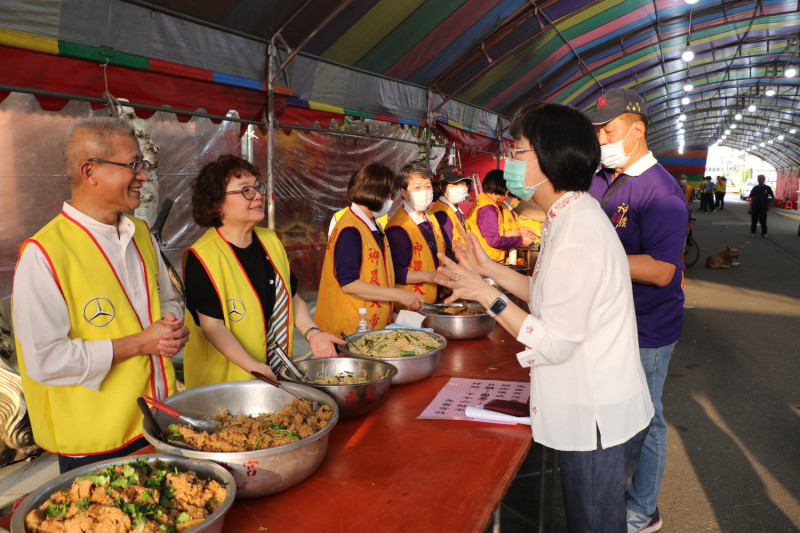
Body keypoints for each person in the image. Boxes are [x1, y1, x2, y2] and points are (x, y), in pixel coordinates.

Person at [435, 101, 653, 533]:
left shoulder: (576, 232)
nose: (511, 162)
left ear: (549, 158)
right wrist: (490, 271)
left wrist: (486, 297)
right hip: (599, 409)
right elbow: (549, 295)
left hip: (596, 420)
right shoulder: (569, 215)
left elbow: (553, 340)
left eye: (519, 152)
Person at [12, 117, 190, 473]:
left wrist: (170, 328)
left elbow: (168, 300)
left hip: (157, 419)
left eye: (144, 165)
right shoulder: (45, 253)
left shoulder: (139, 232)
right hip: (96, 441)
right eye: (133, 165)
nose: (143, 176)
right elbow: (45, 360)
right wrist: (141, 343)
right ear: (90, 171)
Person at [587, 87, 689, 532]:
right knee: (613, 416)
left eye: (608, 132)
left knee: (646, 420)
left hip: (646, 327)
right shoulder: (602, 179)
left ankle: (642, 510)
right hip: (606, 322)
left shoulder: (662, 192)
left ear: (636, 131)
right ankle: (611, 492)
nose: (601, 141)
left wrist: (594, 255)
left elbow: (662, 270)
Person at [182, 155, 342, 388]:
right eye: (245, 190)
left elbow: (291, 297)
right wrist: (252, 365)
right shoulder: (202, 257)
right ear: (216, 205)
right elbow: (212, 326)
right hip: (223, 386)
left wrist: (312, 333)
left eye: (258, 187)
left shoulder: (270, 240)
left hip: (273, 374)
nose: (257, 195)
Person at [316, 163, 424, 335]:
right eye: (389, 196)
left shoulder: (372, 225)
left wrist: (395, 317)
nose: (390, 201)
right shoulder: (350, 230)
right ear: (375, 193)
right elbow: (349, 284)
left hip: (370, 326)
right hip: (349, 329)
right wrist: (399, 295)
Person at [385, 161, 448, 305]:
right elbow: (395, 272)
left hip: (434, 302)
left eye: (427, 186)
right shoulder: (398, 228)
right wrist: (430, 277)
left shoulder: (430, 216)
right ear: (404, 192)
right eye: (417, 187)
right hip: (411, 307)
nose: (424, 192)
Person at [466, 169, 535, 262]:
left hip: (484, 257)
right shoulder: (488, 208)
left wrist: (517, 232)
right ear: (501, 186)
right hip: (486, 259)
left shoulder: (484, 201)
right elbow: (494, 240)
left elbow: (491, 233)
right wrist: (520, 240)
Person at [431, 164, 472, 254]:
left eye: (463, 184)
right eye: (455, 184)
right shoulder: (442, 214)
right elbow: (446, 249)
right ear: (442, 187)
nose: (461, 187)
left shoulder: (455, 208)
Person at [748, 174, 775, 238]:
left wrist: (770, 206)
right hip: (755, 207)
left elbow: (773, 198)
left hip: (763, 207)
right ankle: (753, 232)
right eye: (760, 179)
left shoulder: (767, 188)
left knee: (763, 221)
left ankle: (764, 233)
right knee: (754, 221)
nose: (761, 180)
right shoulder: (755, 188)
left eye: (762, 179)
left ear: (764, 180)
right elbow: (751, 198)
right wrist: (750, 208)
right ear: (758, 180)